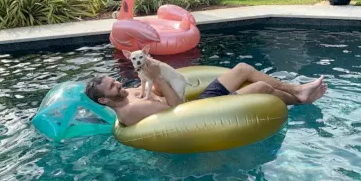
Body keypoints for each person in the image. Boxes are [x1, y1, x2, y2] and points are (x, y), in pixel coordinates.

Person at [85, 60, 327, 127]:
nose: (119, 85)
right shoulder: (132, 109)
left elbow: (158, 91)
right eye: (112, 87)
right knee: (261, 89)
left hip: (199, 104)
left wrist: (152, 73)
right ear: (104, 100)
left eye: (114, 81)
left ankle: (297, 90)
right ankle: (300, 100)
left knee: (243, 69)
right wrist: (158, 78)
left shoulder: (126, 93)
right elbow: (176, 109)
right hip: (200, 113)